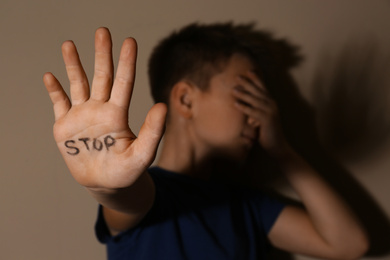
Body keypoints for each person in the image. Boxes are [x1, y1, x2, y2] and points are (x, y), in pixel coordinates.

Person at [43, 23, 369, 259]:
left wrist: (281, 150)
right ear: (185, 100)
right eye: (248, 94)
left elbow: (349, 244)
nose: (261, 115)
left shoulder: (247, 204)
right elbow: (126, 198)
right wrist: (106, 187)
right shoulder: (149, 194)